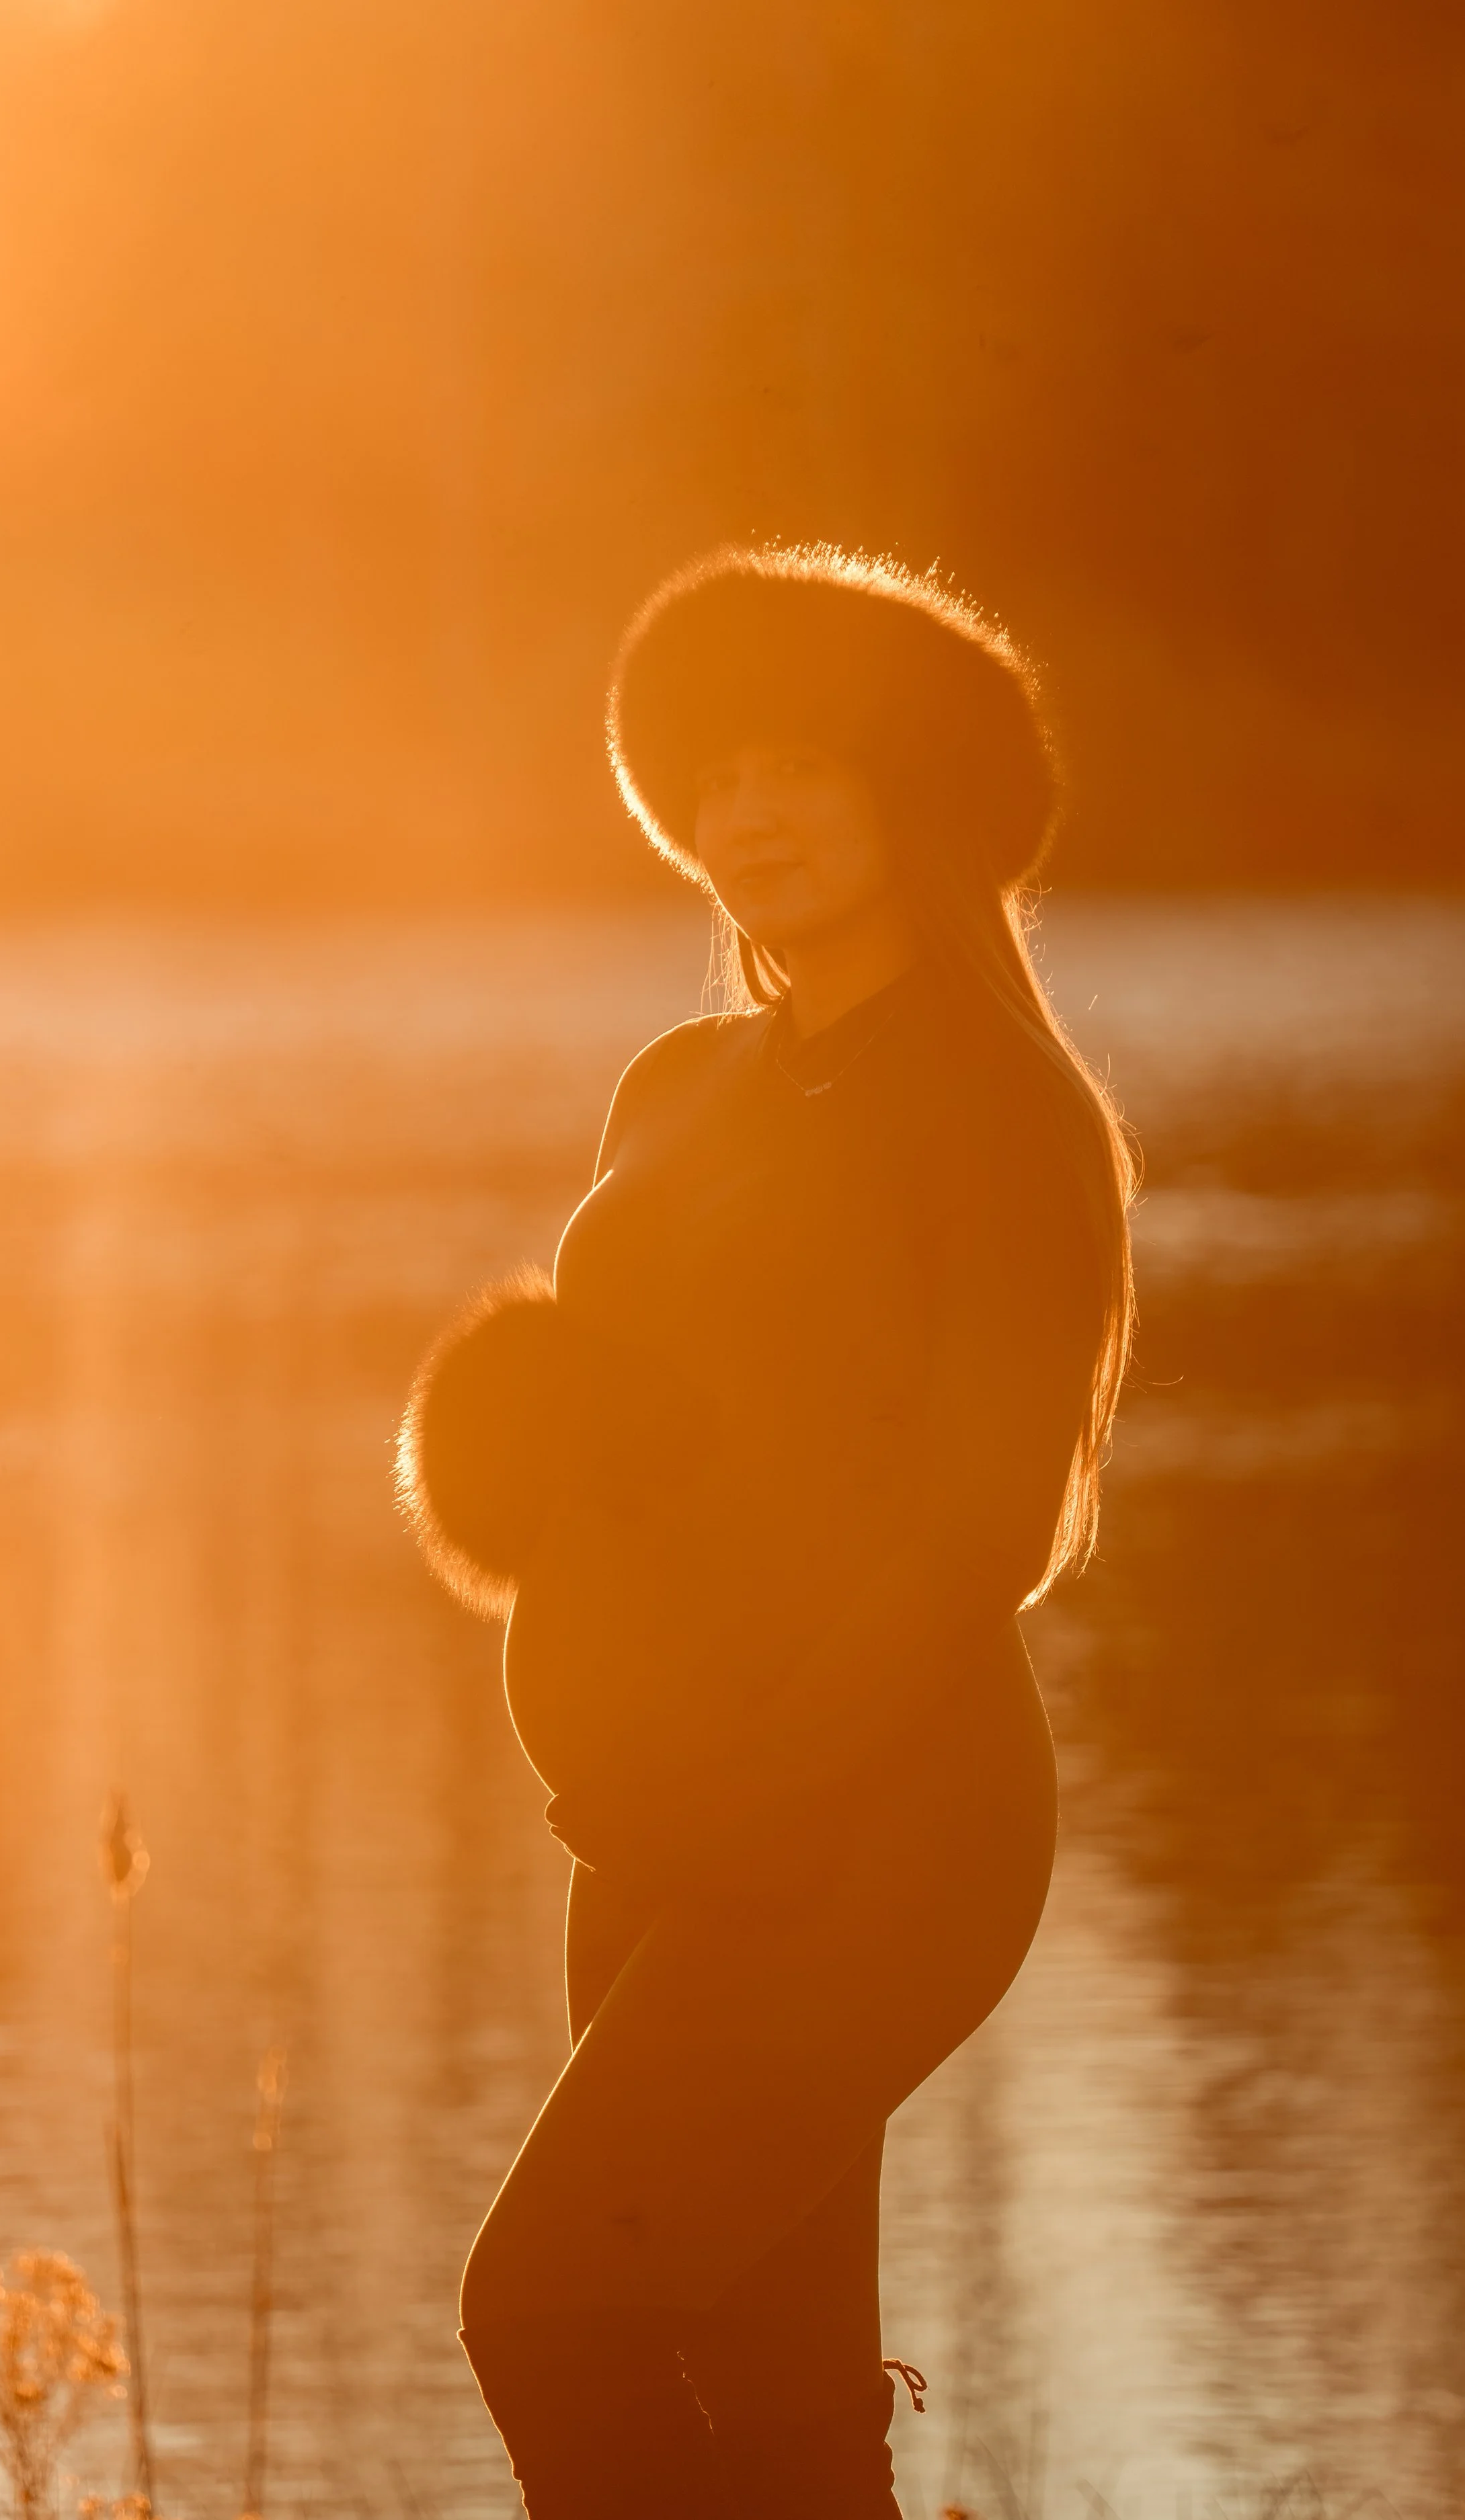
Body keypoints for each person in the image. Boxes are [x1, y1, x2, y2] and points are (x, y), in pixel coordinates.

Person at [396, 544, 1135, 2518]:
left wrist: (744, 1791)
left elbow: (976, 1518)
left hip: (876, 1824)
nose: (750, 816)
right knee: (770, 2390)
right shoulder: (676, 1084)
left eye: (804, 765)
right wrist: (510, 1445)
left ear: (916, 792)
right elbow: (657, 1431)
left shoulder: (992, 1100)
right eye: (715, 775)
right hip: (655, 1828)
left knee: (548, 2311)